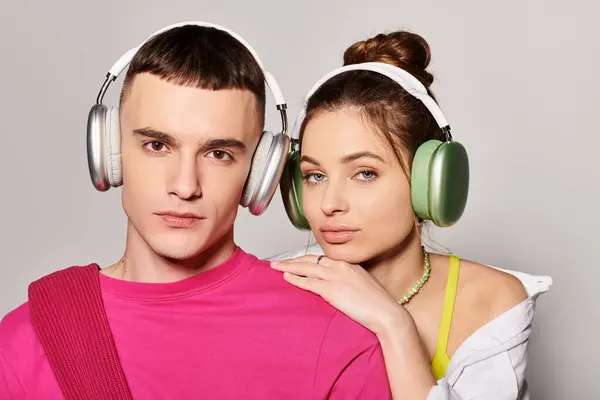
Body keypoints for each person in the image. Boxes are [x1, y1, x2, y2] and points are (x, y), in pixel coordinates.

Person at [0, 22, 392, 399]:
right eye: (157, 146)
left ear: (259, 173)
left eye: (219, 154)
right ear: (112, 152)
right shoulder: (29, 335)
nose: (185, 186)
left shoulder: (334, 335)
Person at [269, 29, 552, 400]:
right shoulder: (273, 285)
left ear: (430, 184)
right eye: (315, 176)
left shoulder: (491, 300)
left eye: (364, 173)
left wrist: (393, 325)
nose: (328, 203)